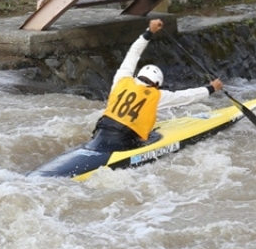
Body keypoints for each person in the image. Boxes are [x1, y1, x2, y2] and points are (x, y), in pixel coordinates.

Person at [89, 18, 223, 152]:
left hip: (100, 132)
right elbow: (186, 96)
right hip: (122, 141)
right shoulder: (156, 95)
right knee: (150, 136)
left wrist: (149, 31)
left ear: (138, 75)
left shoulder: (122, 79)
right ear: (156, 84)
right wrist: (211, 88)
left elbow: (133, 53)